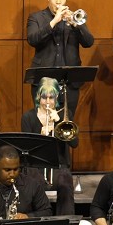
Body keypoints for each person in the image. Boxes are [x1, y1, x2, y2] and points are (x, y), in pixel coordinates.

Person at [25, 0, 95, 109]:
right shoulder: (36, 18)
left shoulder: (74, 17)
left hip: (70, 82)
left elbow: (89, 42)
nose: (58, 2)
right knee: (44, 123)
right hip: (43, 81)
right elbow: (32, 39)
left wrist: (75, 25)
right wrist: (54, 21)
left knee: (68, 123)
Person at [20, 77, 77, 216]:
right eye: (44, 97)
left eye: (51, 97)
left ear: (57, 97)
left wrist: (59, 123)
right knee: (34, 184)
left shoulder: (64, 116)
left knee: (65, 183)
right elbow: (25, 149)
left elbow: (75, 143)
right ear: (38, 97)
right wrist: (41, 133)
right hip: (35, 165)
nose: (48, 102)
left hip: (59, 165)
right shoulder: (28, 117)